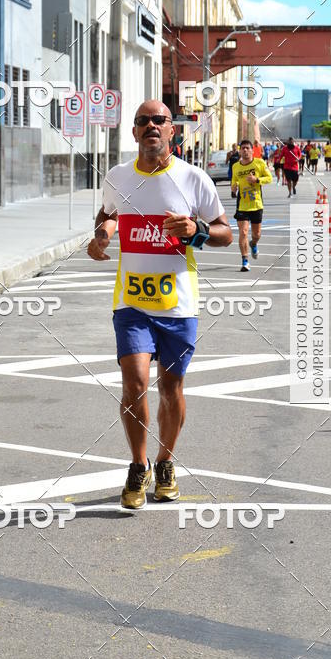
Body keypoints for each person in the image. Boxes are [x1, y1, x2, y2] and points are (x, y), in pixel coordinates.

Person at [87, 100, 233, 510]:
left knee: (171, 388)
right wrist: (101, 235)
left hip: (177, 305)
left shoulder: (193, 179)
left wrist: (197, 229)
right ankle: (138, 465)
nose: (151, 126)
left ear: (172, 130)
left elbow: (225, 232)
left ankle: (166, 462)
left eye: (159, 120)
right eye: (143, 121)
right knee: (133, 384)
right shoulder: (117, 177)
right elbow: (107, 214)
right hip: (131, 302)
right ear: (134, 132)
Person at [231, 138, 273, 271]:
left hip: (256, 204)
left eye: (247, 148)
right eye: (242, 148)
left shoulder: (259, 163)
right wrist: (233, 188)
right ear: (239, 151)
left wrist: (257, 180)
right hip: (242, 204)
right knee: (243, 232)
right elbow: (234, 181)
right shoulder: (235, 166)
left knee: (257, 234)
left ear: (252, 150)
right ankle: (245, 261)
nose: (244, 150)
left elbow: (269, 178)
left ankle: (254, 243)